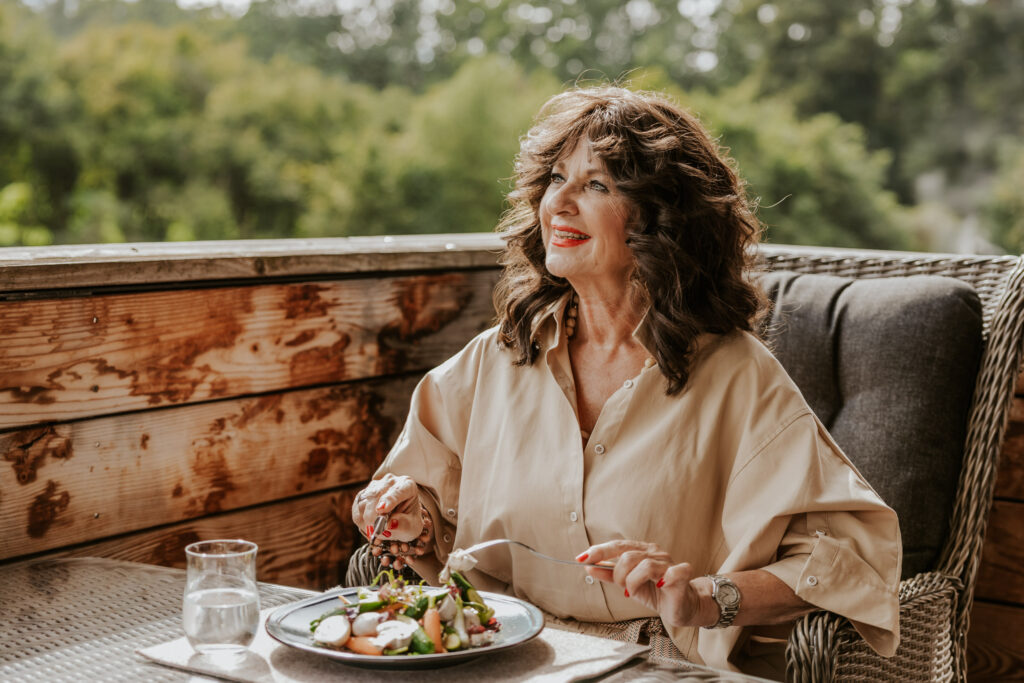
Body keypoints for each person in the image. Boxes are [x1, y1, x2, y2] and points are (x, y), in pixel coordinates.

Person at [350, 86, 900, 677]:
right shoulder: (495, 359)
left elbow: (847, 564)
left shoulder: (739, 375)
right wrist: (406, 518)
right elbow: (424, 507)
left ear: (663, 218)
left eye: (597, 185)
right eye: (556, 178)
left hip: (660, 662)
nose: (560, 203)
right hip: (500, 651)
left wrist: (703, 599)